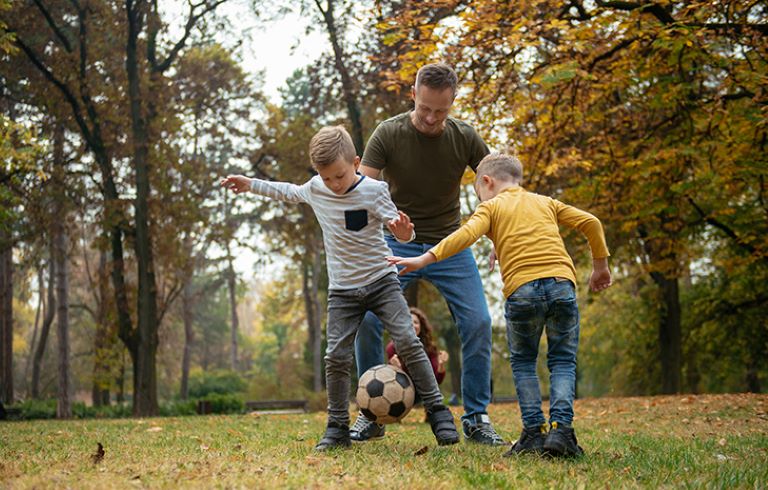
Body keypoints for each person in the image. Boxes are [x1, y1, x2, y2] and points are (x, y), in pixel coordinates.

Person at [220, 126, 459, 451]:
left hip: (381, 282)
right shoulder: (317, 188)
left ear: (356, 163)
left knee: (406, 339)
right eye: (326, 177)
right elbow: (286, 191)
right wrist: (250, 185)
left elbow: (400, 232)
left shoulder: (374, 190)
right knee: (335, 356)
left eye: (340, 176)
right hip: (343, 291)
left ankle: (437, 410)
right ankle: (336, 427)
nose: (333, 184)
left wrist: (405, 233)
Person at [387, 153, 612, 457]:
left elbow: (464, 235)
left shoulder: (491, 206)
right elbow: (591, 221)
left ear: (487, 182)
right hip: (562, 285)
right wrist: (600, 267)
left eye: (479, 189)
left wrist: (424, 258)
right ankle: (562, 432)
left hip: (523, 290)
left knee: (523, 362)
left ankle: (533, 433)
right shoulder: (544, 202)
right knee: (562, 361)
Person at [352, 63, 504, 445]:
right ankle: (371, 416)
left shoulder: (465, 138)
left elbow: (497, 187)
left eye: (441, 111)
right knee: (366, 318)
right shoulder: (388, 133)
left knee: (478, 322)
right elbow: (363, 193)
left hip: (448, 244)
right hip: (394, 243)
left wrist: (500, 237)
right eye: (425, 109)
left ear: (452, 103)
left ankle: (476, 417)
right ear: (414, 95)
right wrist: (367, 242)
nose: (432, 118)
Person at [386, 307, 448, 387]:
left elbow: (436, 381)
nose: (412, 325)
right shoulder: (392, 348)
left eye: (416, 322)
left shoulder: (430, 348)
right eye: (408, 322)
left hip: (423, 393)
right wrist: (395, 369)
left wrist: (441, 364)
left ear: (421, 327)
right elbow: (392, 382)